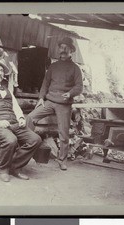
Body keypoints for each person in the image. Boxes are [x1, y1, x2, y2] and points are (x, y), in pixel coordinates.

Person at [0, 55, 42, 182]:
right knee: (11, 139)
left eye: (1, 70)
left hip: (13, 124)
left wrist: (21, 117)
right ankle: (4, 169)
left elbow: (16, 108)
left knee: (35, 139)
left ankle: (15, 166)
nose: (0, 73)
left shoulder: (8, 91)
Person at [26, 37, 83, 171]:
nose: (62, 50)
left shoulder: (75, 68)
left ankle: (62, 160)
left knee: (63, 133)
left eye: (65, 48)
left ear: (71, 50)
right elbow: (45, 83)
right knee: (30, 118)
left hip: (64, 104)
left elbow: (79, 87)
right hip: (49, 101)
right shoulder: (53, 66)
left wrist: (70, 93)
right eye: (61, 47)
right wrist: (41, 98)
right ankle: (27, 149)